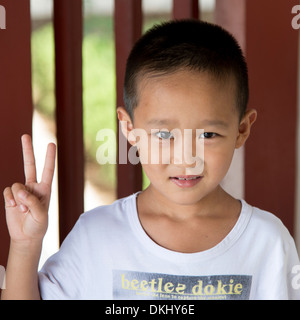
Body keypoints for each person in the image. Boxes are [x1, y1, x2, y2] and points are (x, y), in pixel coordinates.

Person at [2, 19, 300, 300]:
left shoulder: (268, 242)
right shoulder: (97, 235)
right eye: (164, 135)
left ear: (241, 129)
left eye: (207, 135)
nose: (185, 157)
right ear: (130, 129)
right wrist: (26, 246)